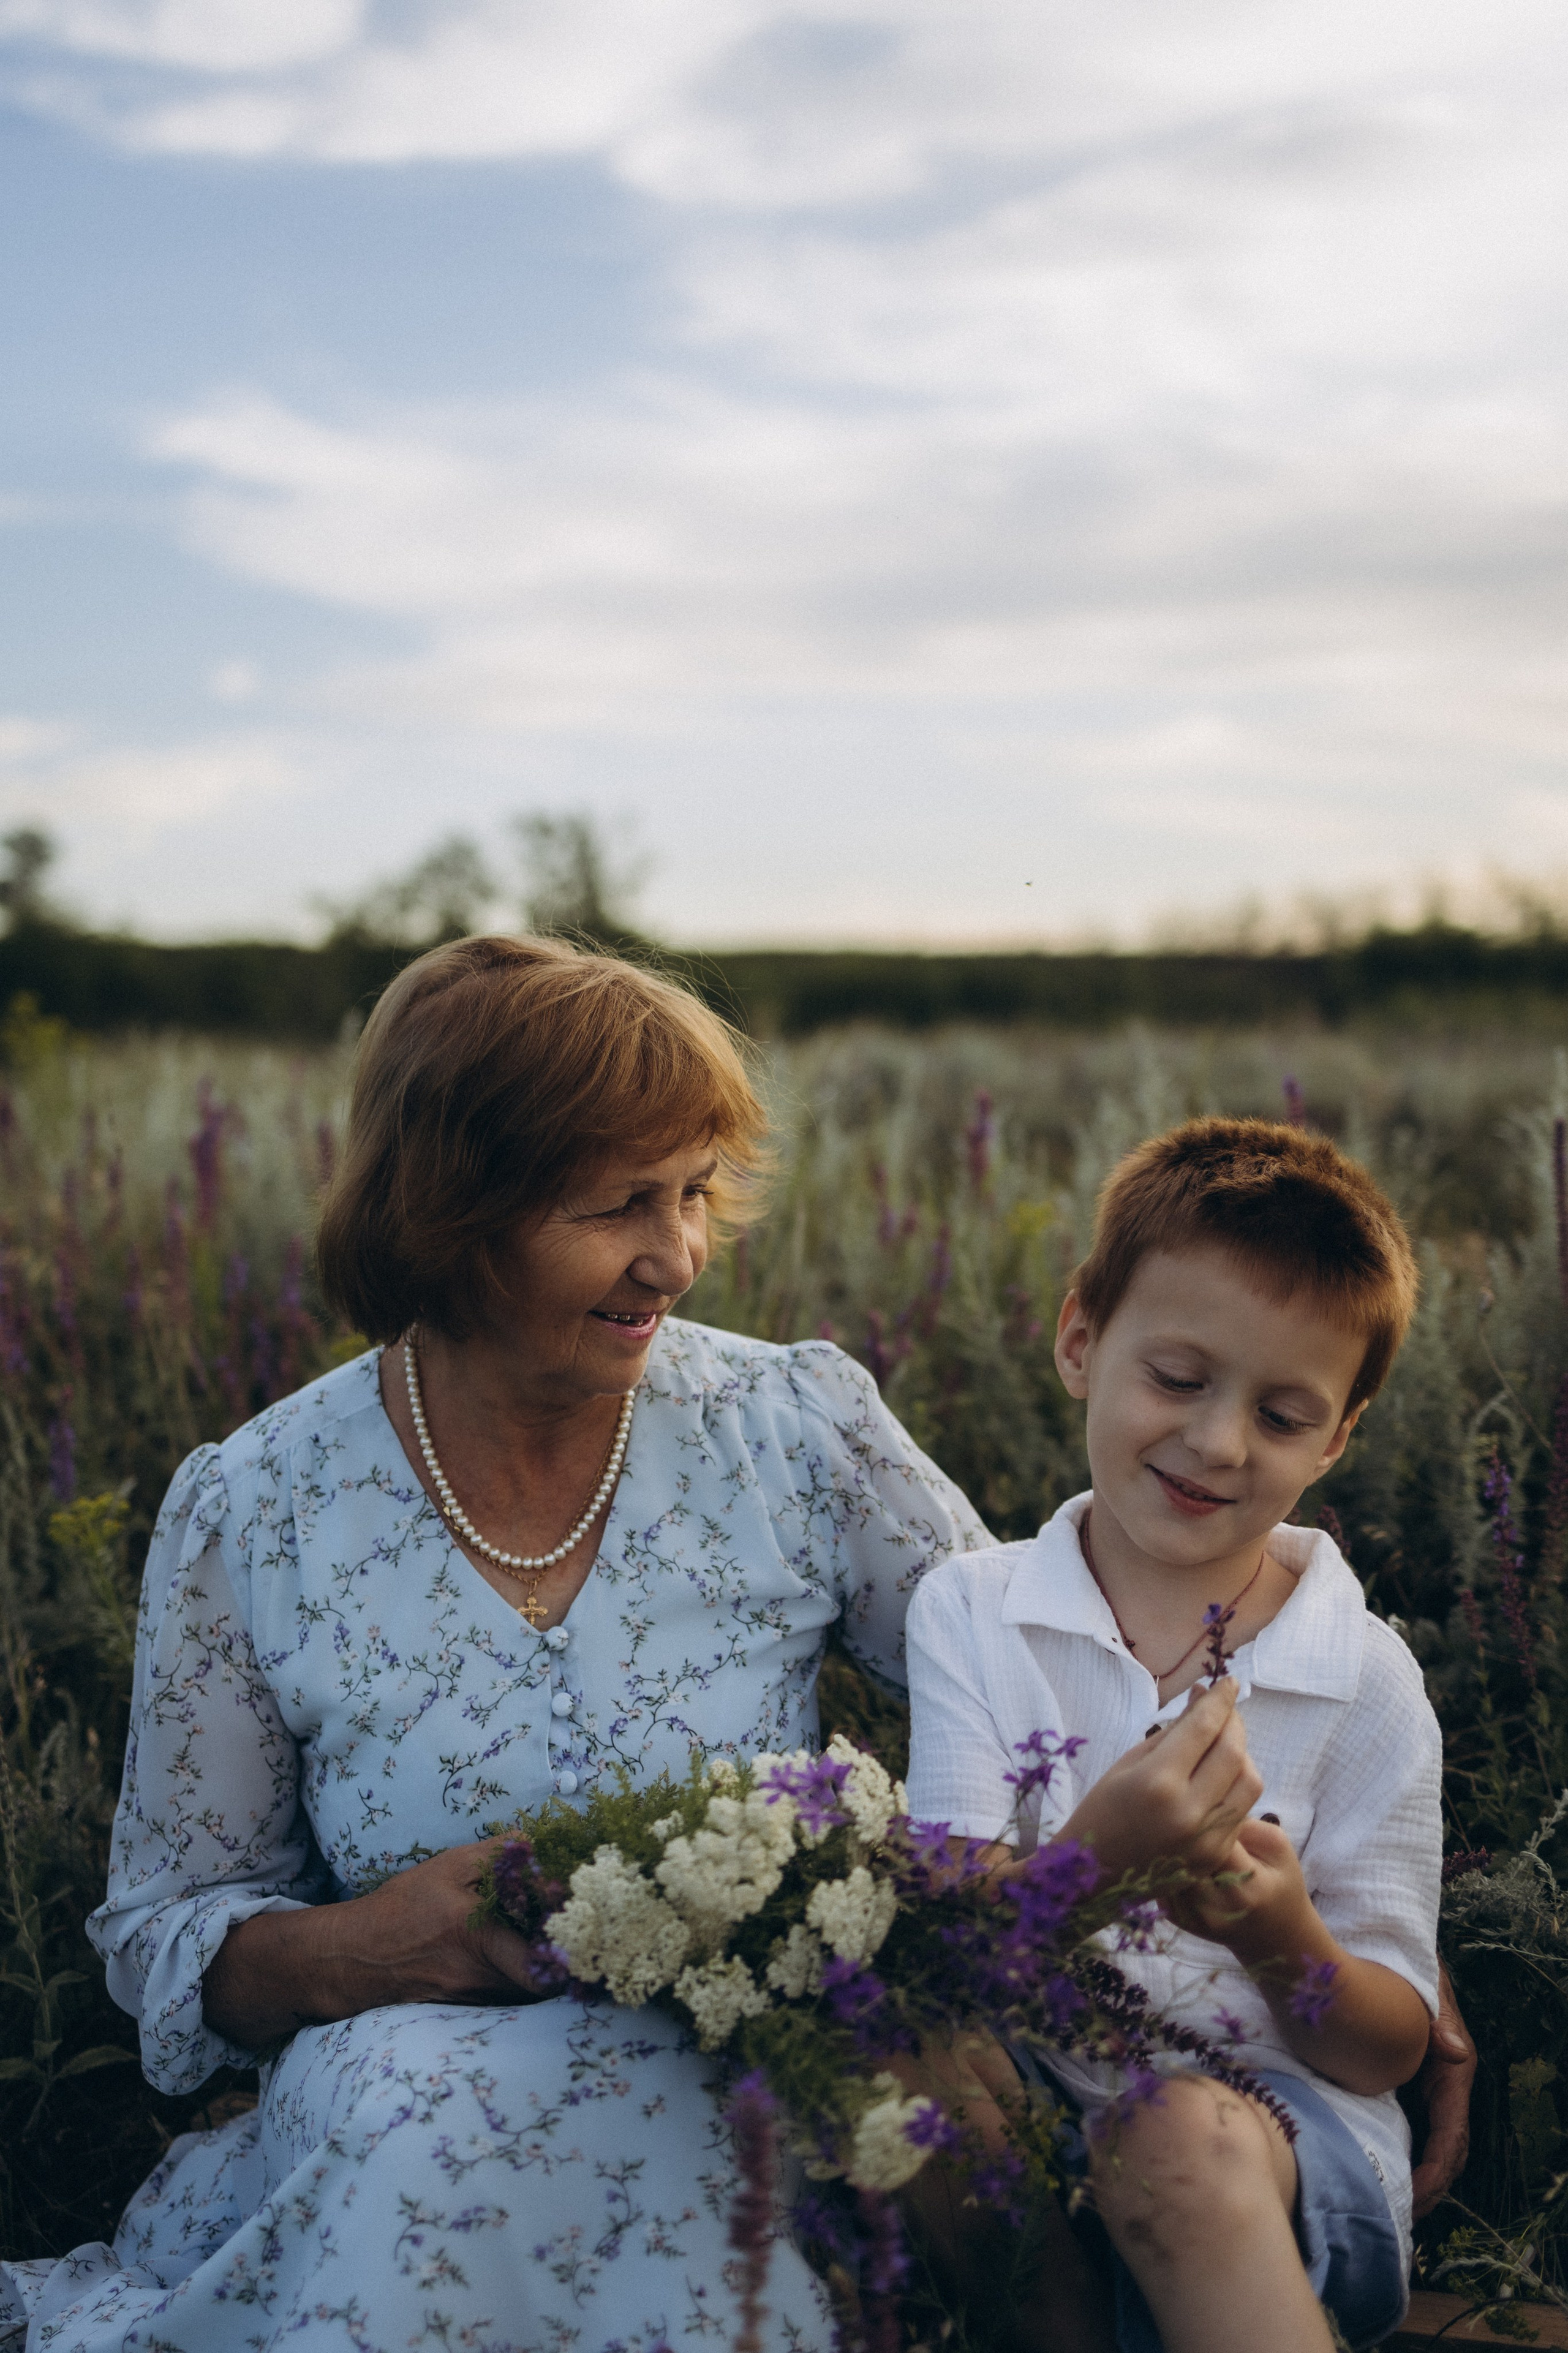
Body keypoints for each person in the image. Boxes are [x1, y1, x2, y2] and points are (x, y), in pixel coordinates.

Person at [0, 936, 992, 2353]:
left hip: (733, 2076)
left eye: (694, 1189)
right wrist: (372, 1947)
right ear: (451, 1211)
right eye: (618, 1203)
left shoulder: (792, 1433)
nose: (677, 1253)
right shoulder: (260, 1505)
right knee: (433, 2148)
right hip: (401, 2101)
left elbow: (1030, 1690)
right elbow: (169, 1928)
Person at [906, 1119, 1444, 2353]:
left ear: (1337, 1437)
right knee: (892, 2066)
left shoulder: (1361, 1678)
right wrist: (1091, 1865)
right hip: (1037, 2116)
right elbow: (943, 1949)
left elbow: (1385, 2046)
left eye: (1282, 1414)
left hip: (1278, 2150)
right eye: (1179, 1377)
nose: (1216, 1441)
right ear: (1079, 1340)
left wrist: (1278, 1935)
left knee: (1167, 2140)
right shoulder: (972, 1612)